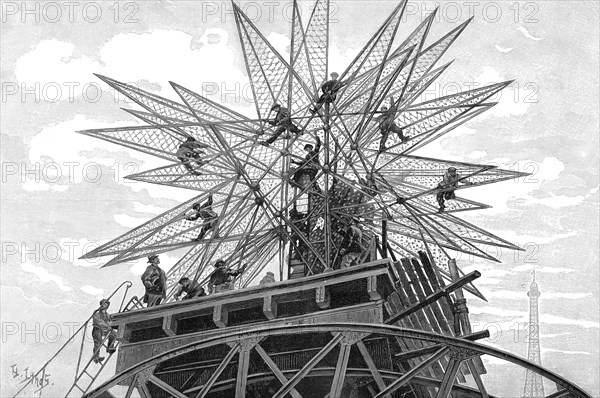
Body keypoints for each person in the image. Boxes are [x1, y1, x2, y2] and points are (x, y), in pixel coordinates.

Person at [91, 299, 117, 364]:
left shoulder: (107, 314)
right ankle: (96, 357)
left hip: (104, 330)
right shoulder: (96, 312)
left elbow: (109, 322)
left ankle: (110, 347)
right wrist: (107, 325)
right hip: (97, 329)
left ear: (107, 306)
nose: (104, 305)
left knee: (114, 334)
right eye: (103, 304)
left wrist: (110, 324)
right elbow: (98, 321)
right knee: (98, 342)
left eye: (105, 304)